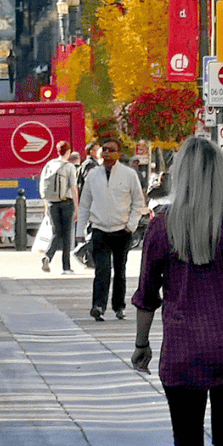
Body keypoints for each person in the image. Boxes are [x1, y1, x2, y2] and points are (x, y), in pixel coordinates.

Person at [131, 137, 223, 446]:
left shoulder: (162, 226)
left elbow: (146, 295)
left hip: (182, 351)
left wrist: (141, 345)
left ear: (183, 175)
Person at [76, 137, 144, 321]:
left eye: (111, 150)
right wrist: (80, 231)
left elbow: (138, 201)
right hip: (100, 229)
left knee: (120, 270)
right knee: (102, 269)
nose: (107, 153)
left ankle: (119, 306)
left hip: (122, 230)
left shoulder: (129, 174)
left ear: (119, 154)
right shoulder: (93, 175)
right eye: (104, 149)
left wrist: (131, 225)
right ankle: (98, 306)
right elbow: (84, 204)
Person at [39, 140, 79, 275]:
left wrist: (46, 205)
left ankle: (48, 256)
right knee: (67, 235)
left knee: (56, 232)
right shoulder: (69, 167)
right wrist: (77, 207)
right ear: (68, 152)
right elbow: (73, 188)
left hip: (51, 203)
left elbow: (44, 186)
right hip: (66, 203)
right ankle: (66, 267)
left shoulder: (49, 165)